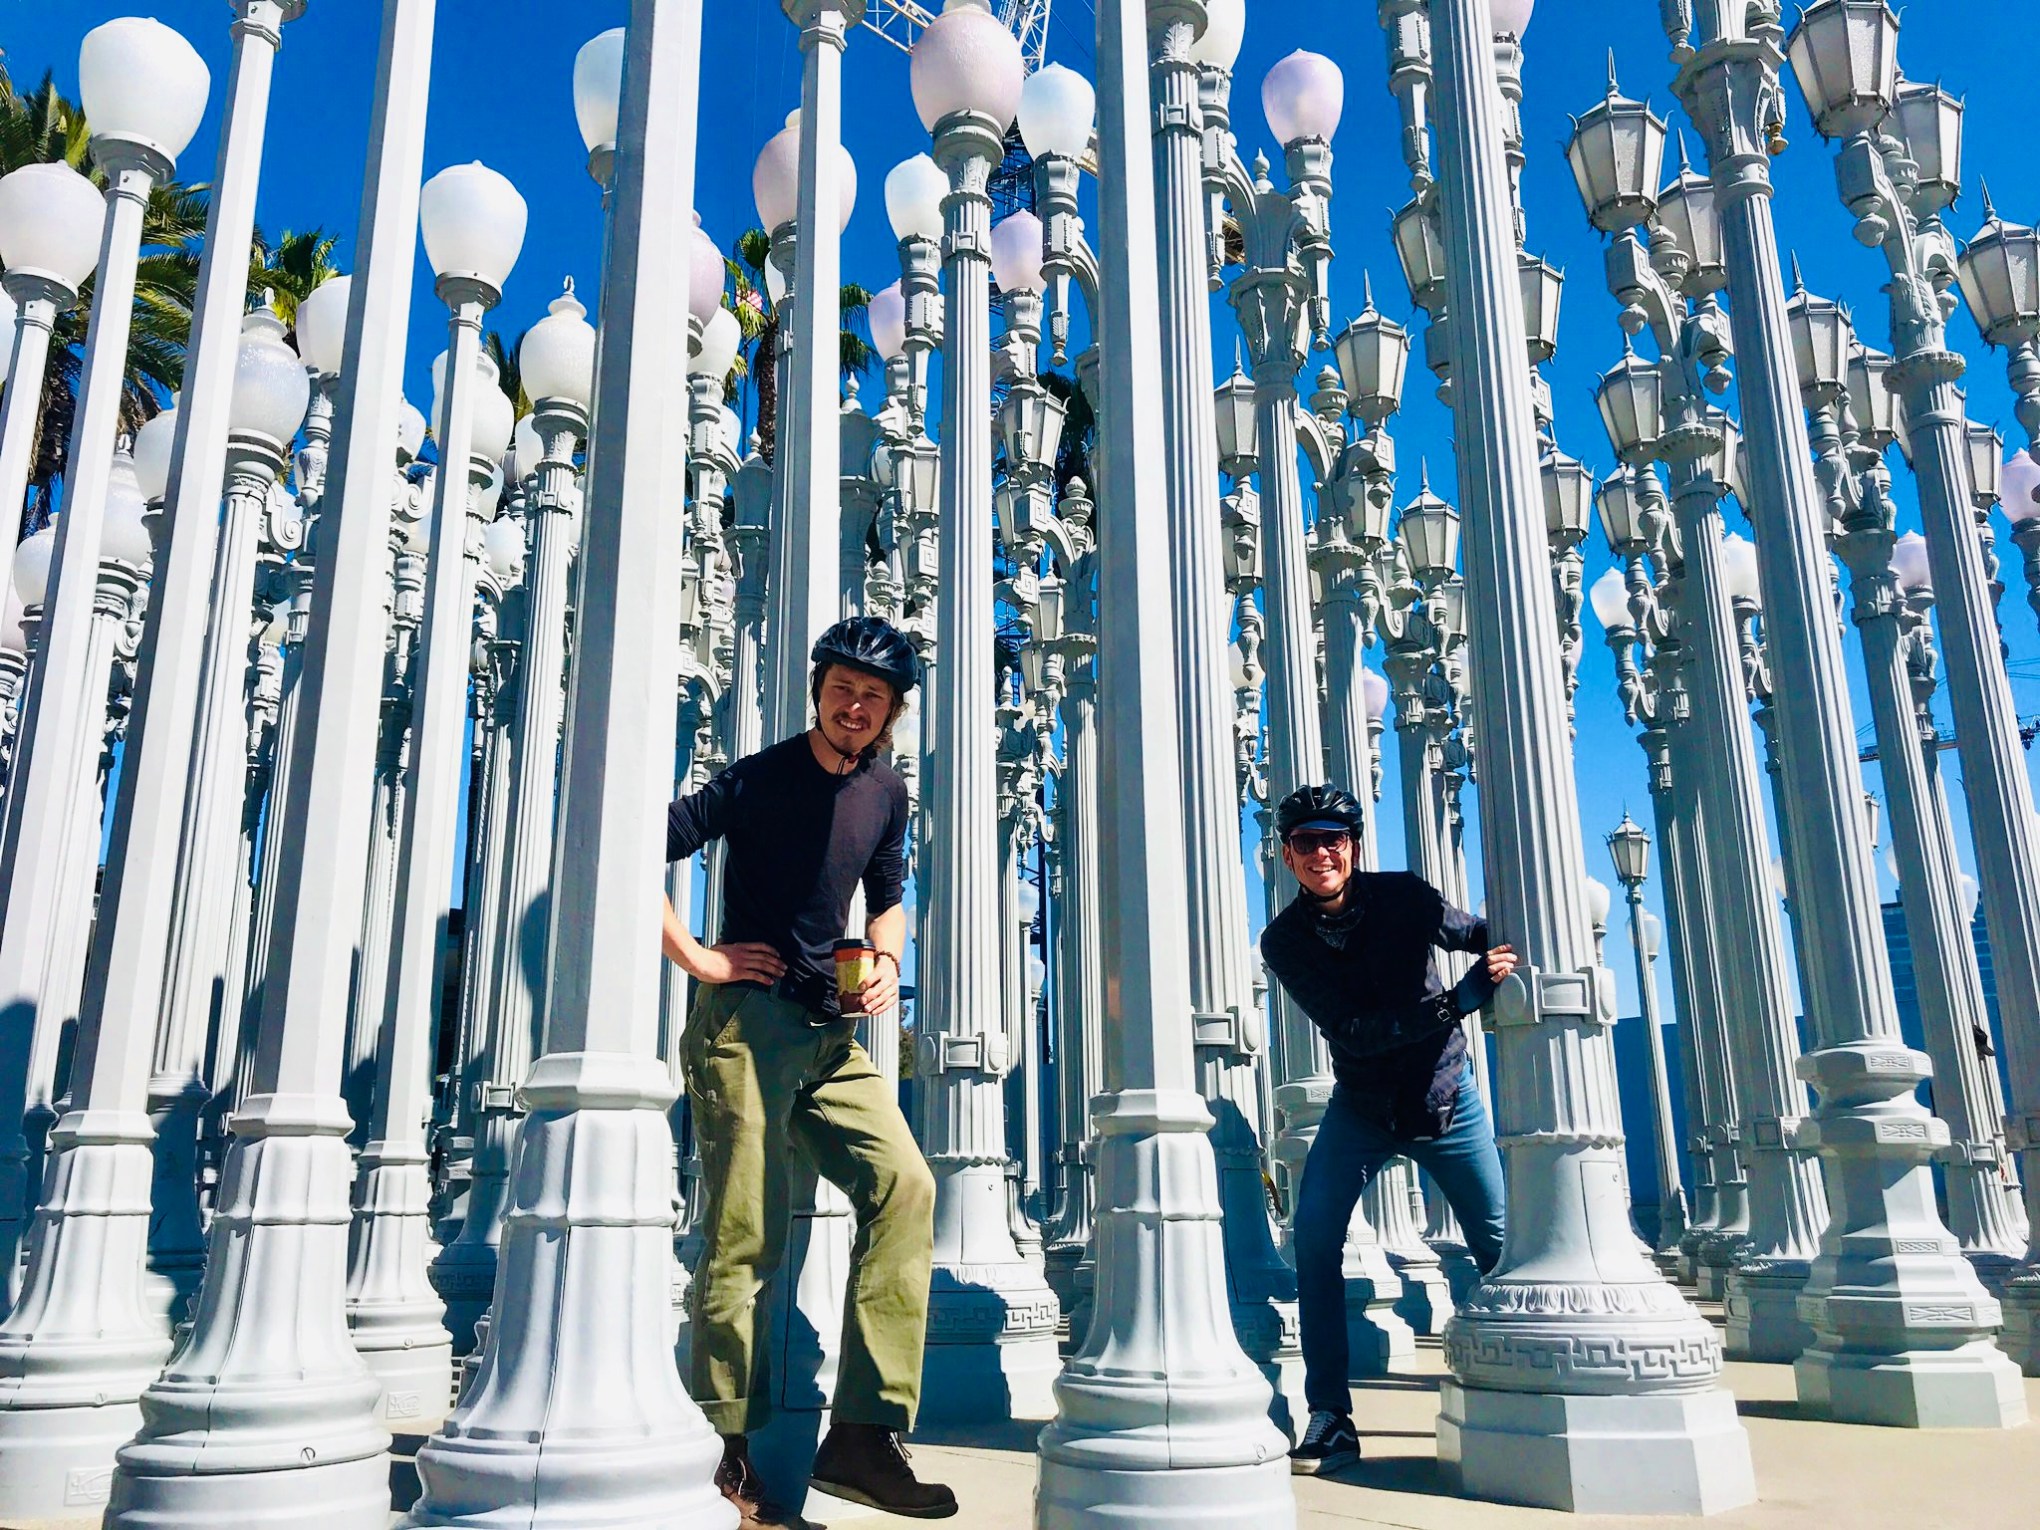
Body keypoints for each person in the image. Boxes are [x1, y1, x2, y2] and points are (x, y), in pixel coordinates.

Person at [662, 616, 954, 1525]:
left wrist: (888, 961)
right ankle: (727, 1453)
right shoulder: (755, 777)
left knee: (906, 1189)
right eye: (842, 687)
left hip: (833, 1038)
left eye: (874, 695)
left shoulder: (888, 793)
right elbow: (630, 846)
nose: (856, 705)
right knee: (745, 1235)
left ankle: (863, 1438)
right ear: (817, 689)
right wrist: (701, 958)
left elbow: (893, 896)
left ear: (894, 712)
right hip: (745, 1028)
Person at [1258, 784, 1518, 1478]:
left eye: (1333, 839)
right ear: (1288, 856)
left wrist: (1504, 959)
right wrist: (1458, 1001)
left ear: (1354, 846)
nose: (1322, 853)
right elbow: (1350, 1031)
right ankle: (1330, 1417)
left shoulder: (1405, 895)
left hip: (1445, 1101)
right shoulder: (1283, 940)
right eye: (1306, 843)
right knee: (1313, 1242)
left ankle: (1522, 1377)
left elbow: (1476, 933)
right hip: (1363, 1107)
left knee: (1499, 1245)